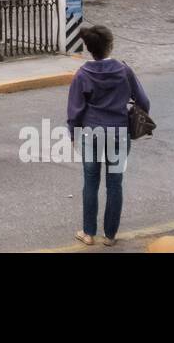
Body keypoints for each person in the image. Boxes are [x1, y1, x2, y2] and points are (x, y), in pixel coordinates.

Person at [66, 24, 150, 247]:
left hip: (91, 132)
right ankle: (110, 236)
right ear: (110, 46)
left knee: (91, 182)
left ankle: (88, 233)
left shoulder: (83, 74)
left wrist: (73, 133)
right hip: (119, 131)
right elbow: (144, 101)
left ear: (90, 49)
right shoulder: (124, 70)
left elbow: (74, 110)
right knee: (115, 184)